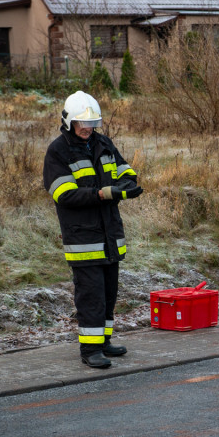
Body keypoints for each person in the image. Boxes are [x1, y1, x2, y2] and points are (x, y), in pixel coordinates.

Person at [43, 91, 143, 368]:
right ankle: (90, 350)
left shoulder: (103, 143)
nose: (88, 128)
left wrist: (129, 182)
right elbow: (64, 195)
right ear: (68, 122)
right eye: (82, 123)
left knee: (109, 293)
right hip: (83, 239)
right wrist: (104, 194)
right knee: (91, 296)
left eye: (92, 123)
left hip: (110, 236)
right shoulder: (58, 151)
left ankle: (104, 342)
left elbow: (123, 168)